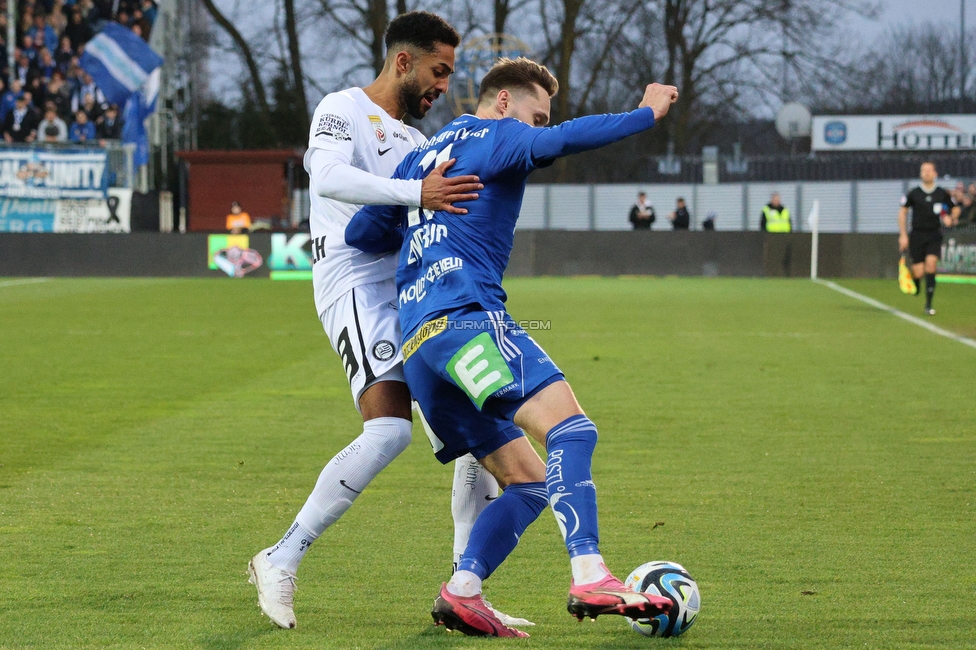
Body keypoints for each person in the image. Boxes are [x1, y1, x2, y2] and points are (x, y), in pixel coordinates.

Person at [346, 56, 679, 637]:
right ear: (504, 102)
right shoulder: (497, 135)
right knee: (572, 431)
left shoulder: (421, 158)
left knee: (526, 479)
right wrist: (645, 113)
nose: (538, 128)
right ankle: (590, 572)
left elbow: (361, 233)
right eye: (536, 114)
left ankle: (463, 591)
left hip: (421, 350)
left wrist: (418, 202)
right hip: (466, 319)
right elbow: (568, 139)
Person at [247, 11, 522, 632]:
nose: (441, 87)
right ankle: (281, 556)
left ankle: (463, 587)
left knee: (481, 431)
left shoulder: (421, 145)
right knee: (390, 431)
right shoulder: (340, 108)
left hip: (413, 293)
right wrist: (415, 194)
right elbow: (330, 176)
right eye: (437, 71)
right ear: (404, 61)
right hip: (352, 286)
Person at [898, 161, 960, 316]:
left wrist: (951, 218)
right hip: (917, 235)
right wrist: (903, 235)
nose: (926, 173)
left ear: (935, 173)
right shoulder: (913, 193)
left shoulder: (941, 193)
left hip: (933, 234)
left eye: (929, 170)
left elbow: (956, 208)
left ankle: (928, 304)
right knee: (918, 272)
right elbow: (902, 212)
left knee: (931, 265)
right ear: (920, 174)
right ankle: (916, 284)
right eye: (923, 170)